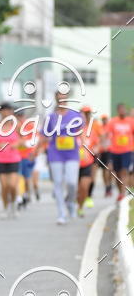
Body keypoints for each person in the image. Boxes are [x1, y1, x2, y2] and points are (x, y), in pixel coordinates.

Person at [43, 89, 84, 224]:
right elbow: (44, 135)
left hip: (72, 153)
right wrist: (35, 150)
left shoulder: (75, 115)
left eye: (65, 99)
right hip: (56, 153)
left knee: (72, 183)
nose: (62, 102)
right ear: (56, 100)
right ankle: (61, 213)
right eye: (60, 99)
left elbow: (81, 131)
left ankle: (70, 202)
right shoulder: (51, 117)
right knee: (58, 183)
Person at [0, 103, 21, 219]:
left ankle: (13, 205)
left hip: (14, 159)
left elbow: (24, 140)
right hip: (0, 159)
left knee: (12, 185)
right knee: (4, 185)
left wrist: (17, 144)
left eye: (9, 110)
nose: (6, 113)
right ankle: (5, 207)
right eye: (4, 110)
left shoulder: (16, 126)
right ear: (1, 112)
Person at [104, 103, 134, 201]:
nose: (122, 111)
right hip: (115, 151)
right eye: (120, 109)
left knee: (124, 171)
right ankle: (120, 191)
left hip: (127, 150)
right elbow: (107, 134)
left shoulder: (130, 121)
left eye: (123, 109)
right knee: (117, 173)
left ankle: (122, 193)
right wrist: (106, 144)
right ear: (118, 111)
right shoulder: (113, 122)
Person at [77, 106, 99, 216]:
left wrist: (95, 149)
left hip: (87, 162)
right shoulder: (70, 130)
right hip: (74, 163)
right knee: (76, 188)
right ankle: (75, 203)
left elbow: (96, 144)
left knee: (84, 186)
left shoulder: (90, 130)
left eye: (83, 117)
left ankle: (80, 207)